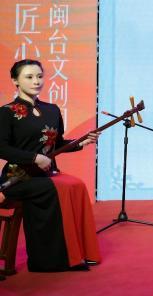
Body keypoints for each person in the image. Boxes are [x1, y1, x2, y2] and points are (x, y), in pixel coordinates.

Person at [0, 59, 101, 272]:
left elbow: (58, 144)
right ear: (15, 81)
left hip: (46, 174)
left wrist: (81, 142)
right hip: (18, 177)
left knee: (77, 185)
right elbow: (1, 148)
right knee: (52, 189)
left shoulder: (52, 110)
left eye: (39, 76)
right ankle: (48, 261)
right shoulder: (6, 112)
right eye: (29, 77)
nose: (36, 81)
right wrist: (34, 158)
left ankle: (77, 253)